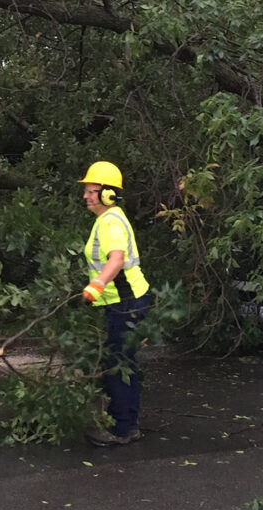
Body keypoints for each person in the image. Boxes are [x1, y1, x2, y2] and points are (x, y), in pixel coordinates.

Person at [78, 161, 151, 447]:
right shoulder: (109, 219)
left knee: (119, 364)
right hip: (127, 302)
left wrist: (94, 287)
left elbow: (116, 259)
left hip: (126, 303)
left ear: (109, 194)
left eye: (92, 191)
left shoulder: (109, 221)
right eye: (86, 191)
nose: (86, 196)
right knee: (125, 363)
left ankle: (121, 429)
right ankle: (128, 424)